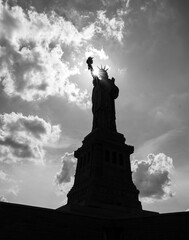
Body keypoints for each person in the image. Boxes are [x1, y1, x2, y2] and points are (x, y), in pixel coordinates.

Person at [86, 57, 119, 132]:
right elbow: (93, 74)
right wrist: (90, 65)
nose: (105, 74)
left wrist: (113, 85)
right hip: (101, 105)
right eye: (102, 73)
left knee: (110, 118)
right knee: (101, 118)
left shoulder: (110, 82)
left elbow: (115, 94)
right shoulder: (99, 82)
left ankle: (110, 131)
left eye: (105, 73)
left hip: (109, 105)